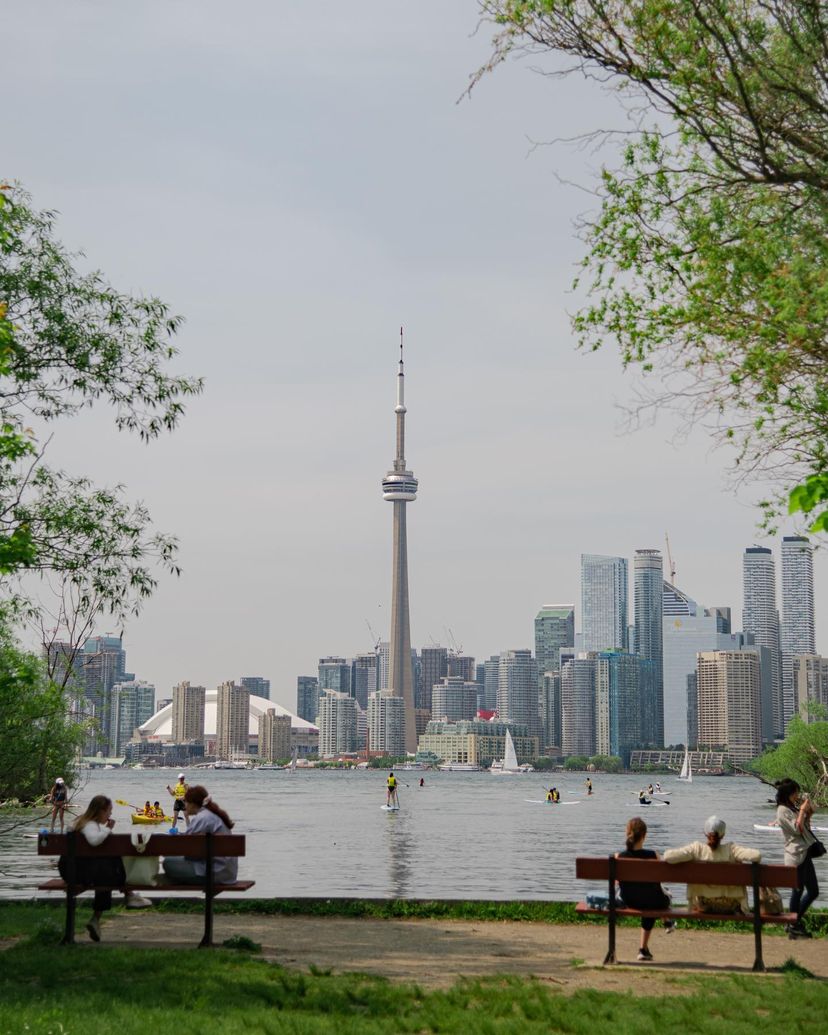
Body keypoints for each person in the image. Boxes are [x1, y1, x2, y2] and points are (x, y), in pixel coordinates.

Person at [58, 795, 152, 942]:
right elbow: (94, 841)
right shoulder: (89, 825)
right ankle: (128, 896)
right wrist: (108, 829)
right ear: (101, 811)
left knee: (107, 870)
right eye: (109, 811)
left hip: (70, 869)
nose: (110, 815)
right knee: (109, 871)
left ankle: (101, 916)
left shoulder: (79, 822)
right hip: (77, 873)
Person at [664, 816, 760, 913]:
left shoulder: (696, 849)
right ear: (723, 835)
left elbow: (668, 856)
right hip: (730, 905)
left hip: (704, 905)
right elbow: (756, 856)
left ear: (705, 833)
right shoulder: (732, 850)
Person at [617, 817, 674, 961]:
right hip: (654, 902)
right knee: (658, 895)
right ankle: (664, 924)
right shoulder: (653, 855)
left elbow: (617, 883)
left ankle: (644, 949)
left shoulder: (619, 857)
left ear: (627, 833)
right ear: (644, 836)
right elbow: (659, 882)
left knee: (644, 895)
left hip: (629, 901)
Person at [162, 786, 238, 885]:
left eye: (186, 802)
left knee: (167, 862)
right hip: (228, 873)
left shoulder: (201, 819)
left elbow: (186, 850)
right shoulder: (214, 815)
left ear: (193, 804)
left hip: (214, 874)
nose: (184, 805)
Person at [775, 778, 820, 938]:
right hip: (796, 855)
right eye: (795, 793)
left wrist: (808, 814)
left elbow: (804, 827)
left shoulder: (790, 808)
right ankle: (793, 924)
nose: (797, 795)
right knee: (798, 890)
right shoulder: (782, 810)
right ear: (788, 794)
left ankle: (793, 921)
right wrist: (801, 811)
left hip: (804, 853)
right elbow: (797, 829)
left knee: (813, 891)